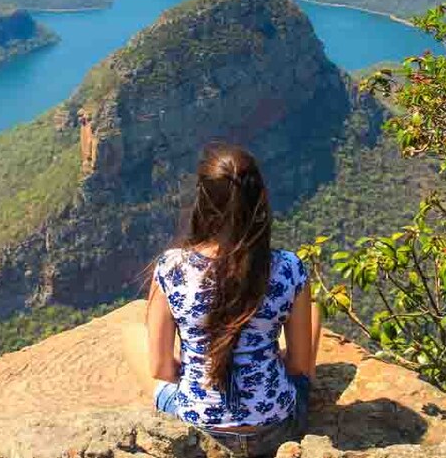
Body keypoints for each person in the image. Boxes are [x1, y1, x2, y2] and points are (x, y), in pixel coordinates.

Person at [124, 143, 323, 458]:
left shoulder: (171, 267)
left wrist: (202, 369)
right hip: (276, 429)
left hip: (199, 432)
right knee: (313, 310)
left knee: (130, 332)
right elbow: (297, 365)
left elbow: (162, 368)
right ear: (260, 200)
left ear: (202, 201)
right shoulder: (288, 268)